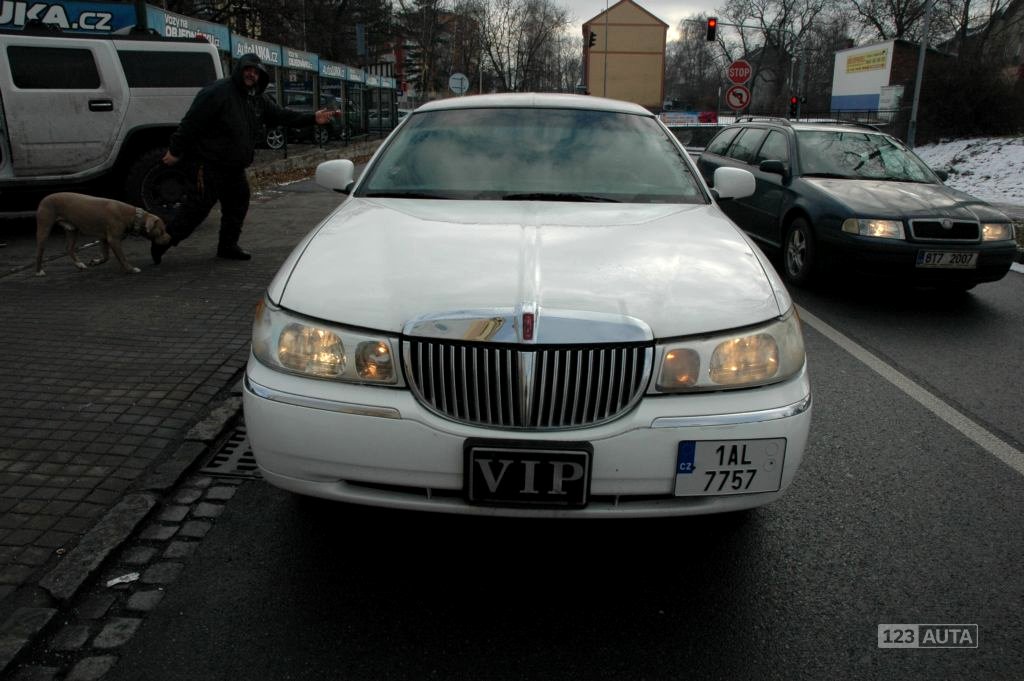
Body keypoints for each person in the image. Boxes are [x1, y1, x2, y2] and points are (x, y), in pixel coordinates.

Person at [153, 53, 337, 263]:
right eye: (248, 69)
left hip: (234, 167)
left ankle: (228, 246)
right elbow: (191, 122)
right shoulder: (217, 92)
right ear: (239, 70)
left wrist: (313, 118)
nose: (252, 74)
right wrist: (175, 150)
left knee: (238, 204)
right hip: (208, 164)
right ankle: (162, 242)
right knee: (196, 210)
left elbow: (281, 115)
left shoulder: (256, 98)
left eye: (256, 72)